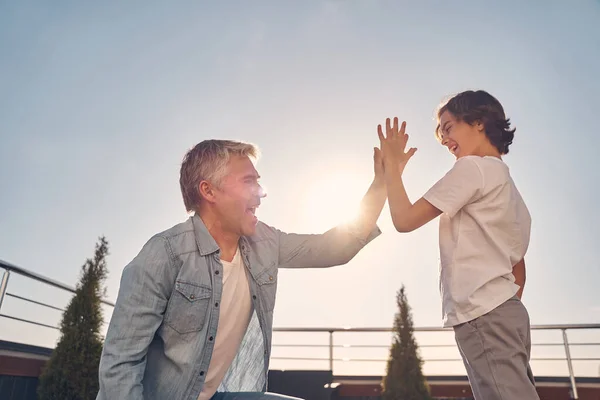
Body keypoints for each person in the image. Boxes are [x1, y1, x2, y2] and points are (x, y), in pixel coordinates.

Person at [97, 139, 386, 400]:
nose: (260, 194)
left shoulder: (265, 243)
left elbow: (334, 248)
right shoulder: (164, 253)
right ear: (208, 190)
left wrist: (382, 183)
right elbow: (120, 363)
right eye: (249, 182)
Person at [377, 90, 538, 400]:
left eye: (448, 127)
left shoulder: (472, 168)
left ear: (478, 122)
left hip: (485, 313)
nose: (444, 139)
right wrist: (502, 304)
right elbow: (518, 265)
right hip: (509, 313)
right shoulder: (512, 192)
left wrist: (392, 170)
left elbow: (405, 219)